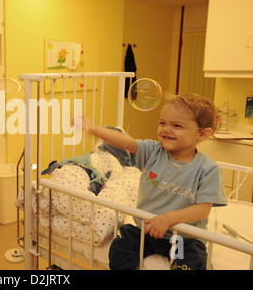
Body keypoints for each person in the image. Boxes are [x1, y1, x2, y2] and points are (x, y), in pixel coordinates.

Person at [76, 93, 227, 270]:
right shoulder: (153, 152)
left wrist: (168, 219)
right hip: (145, 231)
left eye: (177, 125)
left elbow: (202, 209)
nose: (166, 129)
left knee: (192, 261)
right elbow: (125, 143)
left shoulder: (207, 169)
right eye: (162, 123)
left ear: (203, 134)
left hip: (181, 238)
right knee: (121, 248)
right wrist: (95, 129)